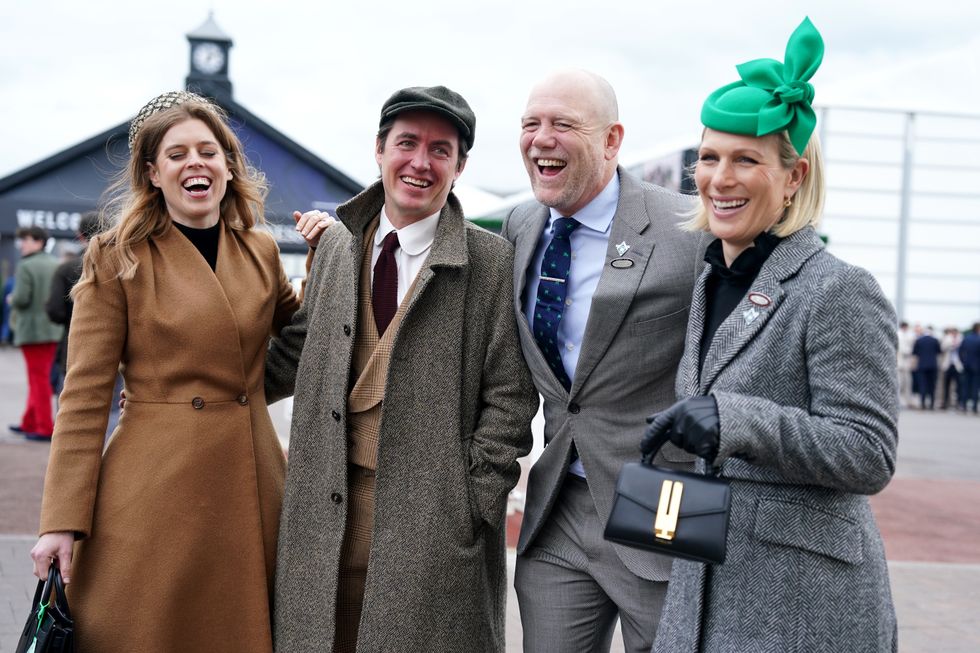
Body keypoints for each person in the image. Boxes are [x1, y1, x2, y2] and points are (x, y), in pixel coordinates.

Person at [641, 19, 899, 651]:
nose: (719, 178)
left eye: (745, 160)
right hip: (705, 584)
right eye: (708, 158)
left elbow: (870, 452)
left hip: (799, 606)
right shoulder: (711, 278)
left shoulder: (838, 289)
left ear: (794, 177)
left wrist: (737, 420)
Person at [29, 90, 305, 652]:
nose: (195, 163)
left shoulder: (259, 249)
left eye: (208, 151)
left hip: (251, 481)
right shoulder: (117, 256)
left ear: (229, 166)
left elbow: (304, 338)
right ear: (153, 173)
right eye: (177, 155)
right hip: (154, 487)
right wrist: (61, 521)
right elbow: (83, 399)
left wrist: (332, 265)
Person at [265, 86, 537, 653]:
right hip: (323, 520)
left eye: (440, 150)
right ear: (379, 150)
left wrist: (473, 504)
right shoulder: (338, 244)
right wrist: (188, 389)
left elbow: (510, 396)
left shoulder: (491, 263)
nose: (420, 162)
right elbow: (296, 350)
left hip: (434, 532)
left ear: (458, 167)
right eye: (406, 143)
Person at [499, 69, 706, 652]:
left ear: (612, 140)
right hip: (559, 499)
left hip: (661, 496)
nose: (542, 138)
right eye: (530, 124)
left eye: (564, 124)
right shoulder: (521, 223)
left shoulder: (689, 229)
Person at [8, 225, 63, 441]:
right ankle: (29, 422)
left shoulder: (26, 266)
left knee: (37, 380)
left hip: (31, 331)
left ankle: (43, 427)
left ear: (38, 241)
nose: (22, 244)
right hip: (52, 330)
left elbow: (21, 298)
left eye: (26, 240)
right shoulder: (54, 263)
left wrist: (11, 299)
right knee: (39, 378)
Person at [46, 212, 101, 394]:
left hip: (74, 346)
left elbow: (55, 311)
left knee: (70, 405)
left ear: (80, 236)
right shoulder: (127, 265)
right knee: (116, 411)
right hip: (118, 354)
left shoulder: (66, 269)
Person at [912, 326, 941, 409]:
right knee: (932, 385)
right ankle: (931, 404)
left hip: (922, 365)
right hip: (932, 365)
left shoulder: (919, 340)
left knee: (922, 385)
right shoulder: (935, 340)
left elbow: (914, 352)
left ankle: (923, 403)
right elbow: (939, 351)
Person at [959, 322, 980, 413]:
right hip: (977, 366)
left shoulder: (966, 338)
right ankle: (974, 407)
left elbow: (960, 352)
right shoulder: (978, 339)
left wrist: (963, 362)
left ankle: (963, 406)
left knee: (965, 386)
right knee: (975, 387)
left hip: (966, 365)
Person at [940, 326, 962, 409]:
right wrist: (950, 344)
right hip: (947, 365)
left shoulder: (961, 339)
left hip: (958, 365)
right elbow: (942, 348)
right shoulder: (947, 339)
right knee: (946, 385)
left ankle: (958, 403)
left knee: (958, 385)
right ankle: (945, 402)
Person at [897, 320, 915, 407]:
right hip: (899, 362)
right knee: (899, 383)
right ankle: (898, 400)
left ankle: (908, 401)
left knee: (908, 383)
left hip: (907, 362)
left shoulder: (910, 335)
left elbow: (911, 347)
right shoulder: (898, 334)